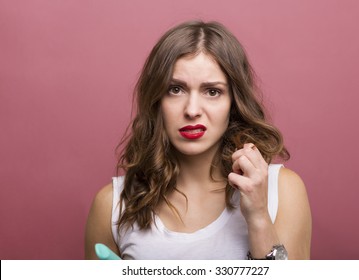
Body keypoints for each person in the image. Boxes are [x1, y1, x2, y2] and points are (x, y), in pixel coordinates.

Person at [84, 20, 312, 260]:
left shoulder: (282, 191)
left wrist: (258, 217)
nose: (192, 110)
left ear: (233, 104)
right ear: (156, 101)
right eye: (175, 89)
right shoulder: (111, 207)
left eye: (212, 91)